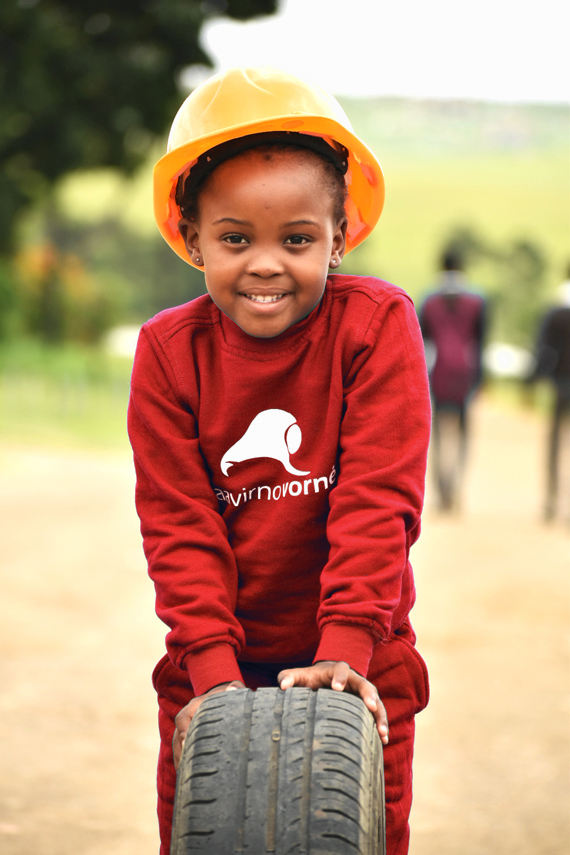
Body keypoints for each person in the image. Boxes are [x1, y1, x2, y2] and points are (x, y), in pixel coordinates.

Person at [128, 66, 431, 855]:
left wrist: (346, 648)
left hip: (363, 657)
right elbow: (178, 523)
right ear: (193, 236)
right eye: (236, 238)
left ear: (340, 236)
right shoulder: (168, 352)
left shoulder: (376, 326)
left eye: (297, 239)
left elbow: (377, 496)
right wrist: (212, 672)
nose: (266, 263)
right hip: (214, 663)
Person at [419, 248, 487, 511]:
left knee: (436, 432)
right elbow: (480, 343)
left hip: (437, 372)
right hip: (466, 372)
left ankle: (442, 488)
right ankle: (457, 486)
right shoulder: (477, 301)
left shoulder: (429, 301)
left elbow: (423, 343)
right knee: (463, 432)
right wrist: (481, 379)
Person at [527, 267, 570, 521]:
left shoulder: (556, 310)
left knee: (555, 443)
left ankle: (552, 499)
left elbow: (545, 348)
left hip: (559, 384)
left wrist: (534, 379)